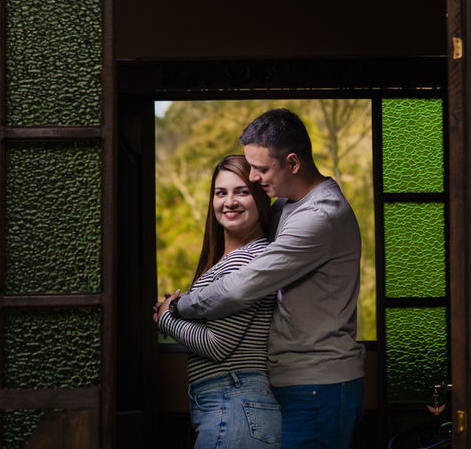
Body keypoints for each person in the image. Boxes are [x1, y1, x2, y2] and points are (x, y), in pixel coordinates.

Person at [169, 108, 366, 449]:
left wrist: (178, 307)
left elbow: (242, 287)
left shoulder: (319, 216)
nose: (255, 178)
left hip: (318, 383)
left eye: (261, 169)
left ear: (293, 163)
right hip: (295, 381)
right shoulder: (286, 206)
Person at [153, 155, 282, 449]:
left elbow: (217, 345)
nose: (229, 202)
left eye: (242, 191)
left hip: (237, 401)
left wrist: (166, 319)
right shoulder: (225, 261)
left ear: (260, 198)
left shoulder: (250, 259)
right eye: (220, 192)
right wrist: (176, 310)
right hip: (229, 402)